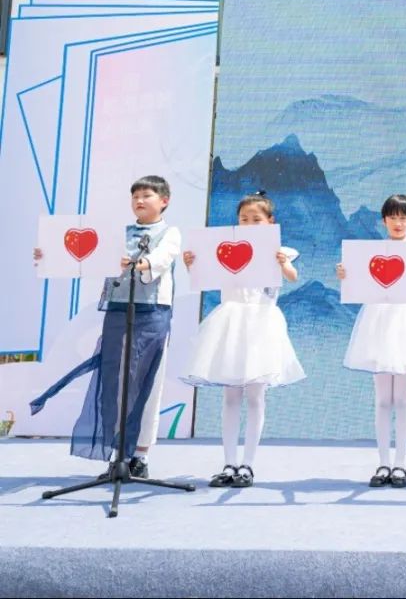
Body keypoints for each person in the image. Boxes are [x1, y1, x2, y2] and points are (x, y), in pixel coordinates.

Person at [30, 175, 181, 479]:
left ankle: (140, 455)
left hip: (152, 312)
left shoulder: (170, 232)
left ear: (164, 201)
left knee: (146, 382)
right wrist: (48, 255)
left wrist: (138, 264)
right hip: (117, 309)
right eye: (135, 196)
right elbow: (85, 258)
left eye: (147, 195)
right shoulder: (117, 233)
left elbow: (162, 259)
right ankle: (117, 453)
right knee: (115, 381)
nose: (139, 200)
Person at [181, 191, 304, 488]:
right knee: (231, 396)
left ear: (270, 221)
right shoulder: (225, 248)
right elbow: (204, 276)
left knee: (255, 396)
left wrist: (282, 263)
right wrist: (190, 264)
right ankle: (228, 462)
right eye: (243, 219)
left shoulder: (281, 251)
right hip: (231, 324)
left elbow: (292, 276)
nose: (249, 224)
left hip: (261, 325)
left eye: (256, 219)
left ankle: (248, 464)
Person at [338, 194, 406, 489]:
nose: (398, 223)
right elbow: (357, 281)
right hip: (379, 323)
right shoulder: (371, 253)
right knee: (383, 400)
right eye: (393, 217)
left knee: (403, 399)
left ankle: (401, 464)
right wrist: (345, 273)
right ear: (383, 221)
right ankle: (383, 463)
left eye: (403, 218)